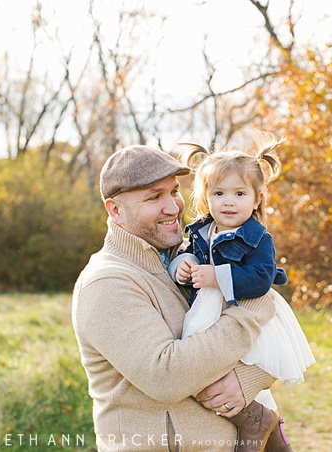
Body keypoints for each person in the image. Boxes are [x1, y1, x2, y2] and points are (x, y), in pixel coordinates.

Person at [72, 145, 288, 451]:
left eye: (173, 191)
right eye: (153, 197)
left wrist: (248, 377)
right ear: (115, 210)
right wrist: (254, 308)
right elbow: (167, 376)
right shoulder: (108, 282)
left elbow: (276, 337)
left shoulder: (193, 253)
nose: (173, 207)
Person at [170, 141, 315, 451]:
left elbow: (261, 279)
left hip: (245, 311)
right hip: (209, 313)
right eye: (219, 193)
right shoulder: (200, 231)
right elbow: (186, 254)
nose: (229, 202)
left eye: (239, 194)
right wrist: (182, 264)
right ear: (206, 198)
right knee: (200, 371)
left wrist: (218, 277)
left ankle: (255, 421)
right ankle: (268, 430)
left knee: (222, 374)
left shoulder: (258, 237)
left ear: (257, 198)